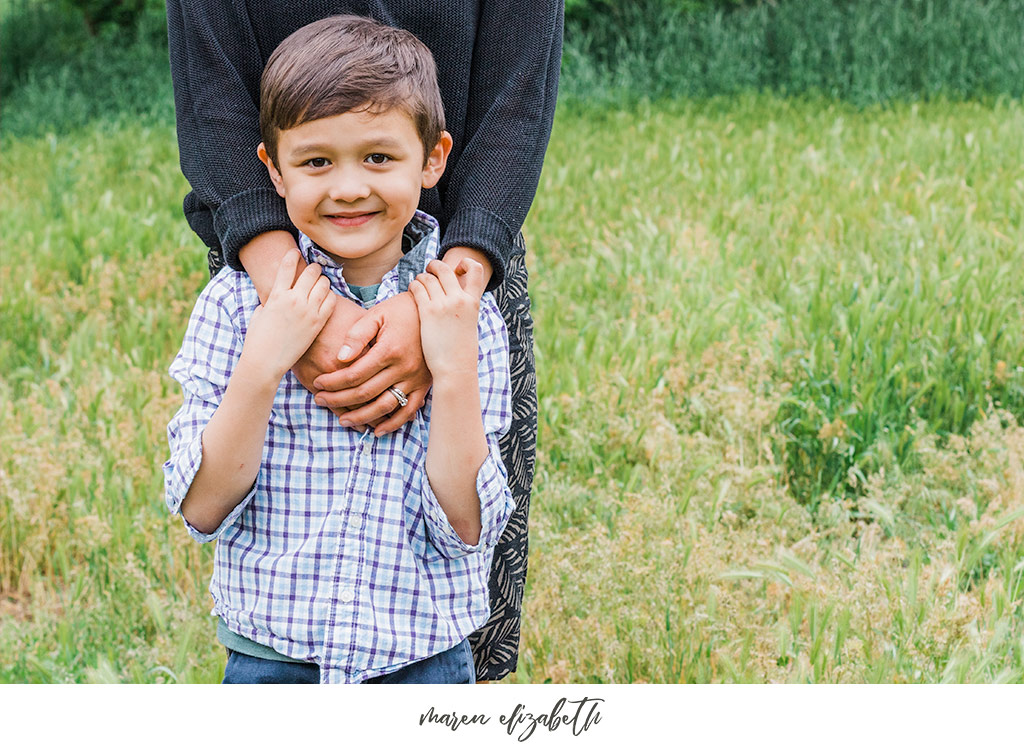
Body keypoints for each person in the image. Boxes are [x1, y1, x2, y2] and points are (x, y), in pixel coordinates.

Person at [166, 0, 562, 681]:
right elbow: (202, 505)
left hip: (458, 268)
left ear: (432, 157)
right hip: (270, 261)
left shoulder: (471, 328)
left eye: (375, 157)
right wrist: (278, 316)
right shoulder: (234, 313)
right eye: (319, 162)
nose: (348, 187)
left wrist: (451, 319)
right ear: (278, 166)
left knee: (477, 637)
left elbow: (519, 90)